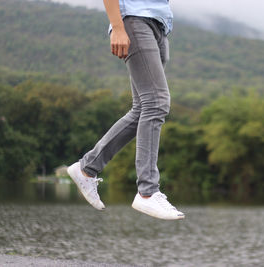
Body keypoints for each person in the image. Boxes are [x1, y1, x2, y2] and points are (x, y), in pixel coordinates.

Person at [67, 0, 184, 220]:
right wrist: (118, 26)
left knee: (142, 108)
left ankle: (86, 169)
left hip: (159, 23)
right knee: (156, 103)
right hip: (134, 18)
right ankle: (147, 191)